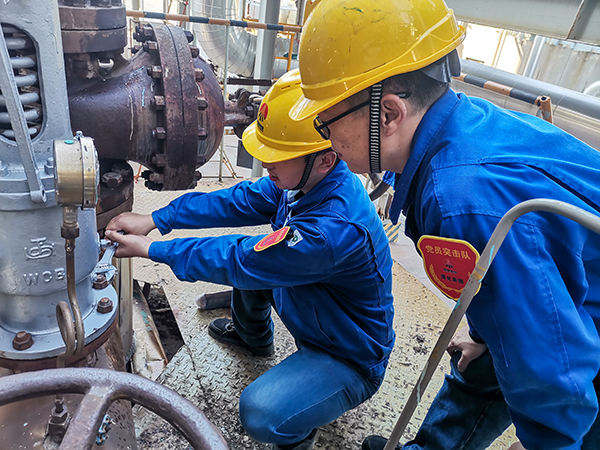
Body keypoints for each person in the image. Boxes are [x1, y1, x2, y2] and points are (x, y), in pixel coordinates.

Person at [290, 1, 600, 449]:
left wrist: (546, 442)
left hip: (583, 329)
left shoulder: (460, 201)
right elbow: (521, 275)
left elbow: (552, 370)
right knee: (483, 362)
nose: (327, 138)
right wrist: (485, 335)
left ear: (389, 114)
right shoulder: (458, 126)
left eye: (325, 121)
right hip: (566, 290)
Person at [105, 69, 395, 450]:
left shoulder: (331, 231)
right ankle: (253, 337)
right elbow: (234, 200)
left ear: (325, 159)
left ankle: (297, 436)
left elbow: (239, 259)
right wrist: (156, 219)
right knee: (257, 266)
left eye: (277, 156)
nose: (266, 164)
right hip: (315, 306)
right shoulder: (304, 181)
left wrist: (152, 250)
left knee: (260, 413)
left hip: (347, 353)